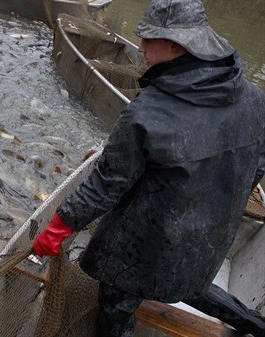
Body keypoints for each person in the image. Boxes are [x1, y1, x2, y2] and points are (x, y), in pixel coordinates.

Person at [32, 0, 265, 336]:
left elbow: (106, 183)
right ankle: (256, 324)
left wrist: (60, 225)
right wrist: (218, 208)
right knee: (191, 281)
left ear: (177, 44)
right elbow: (257, 163)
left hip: (145, 245)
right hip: (211, 235)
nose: (139, 48)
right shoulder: (254, 98)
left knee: (117, 302)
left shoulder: (147, 113)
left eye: (148, 40)